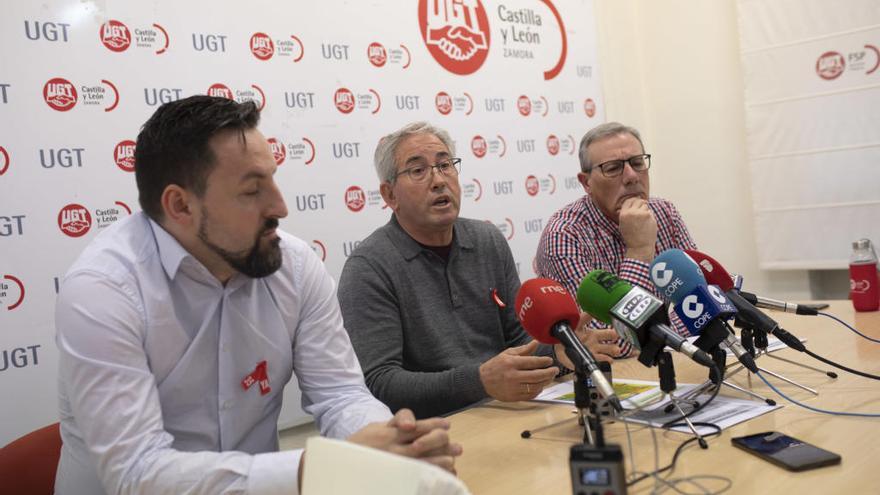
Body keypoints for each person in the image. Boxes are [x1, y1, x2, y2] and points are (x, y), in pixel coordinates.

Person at [54, 97, 460, 495]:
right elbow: (137, 474)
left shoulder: (295, 266)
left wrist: (390, 442)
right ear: (180, 205)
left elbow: (340, 394)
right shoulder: (102, 290)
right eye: (252, 191)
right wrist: (315, 467)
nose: (280, 206)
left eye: (273, 179)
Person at [336, 122, 621, 419]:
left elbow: (518, 342)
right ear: (389, 195)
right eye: (418, 170)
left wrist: (559, 351)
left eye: (445, 165)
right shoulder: (369, 268)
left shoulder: (487, 241)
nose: (438, 180)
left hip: (504, 412)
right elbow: (380, 384)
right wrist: (480, 381)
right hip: (435, 430)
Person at [535, 122, 697, 354]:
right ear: (586, 182)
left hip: (675, 360)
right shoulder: (564, 235)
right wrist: (639, 250)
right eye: (613, 168)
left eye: (637, 163)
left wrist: (661, 331)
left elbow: (703, 304)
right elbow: (613, 343)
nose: (632, 176)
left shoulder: (665, 213)